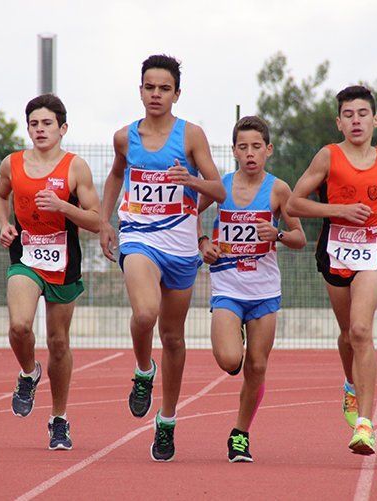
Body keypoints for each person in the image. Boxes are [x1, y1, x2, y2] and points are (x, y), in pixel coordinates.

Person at [99, 54, 226, 462]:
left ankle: (167, 420)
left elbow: (219, 190)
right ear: (140, 91)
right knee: (144, 313)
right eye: (149, 87)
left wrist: (191, 183)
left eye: (164, 88)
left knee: (172, 338)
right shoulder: (124, 137)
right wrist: (105, 222)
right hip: (139, 237)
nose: (156, 94)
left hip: (181, 246)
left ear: (176, 93)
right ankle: (142, 370)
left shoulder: (191, 136)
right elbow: (117, 174)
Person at [286, 85, 377, 455]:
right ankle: (351, 386)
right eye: (349, 115)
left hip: (373, 249)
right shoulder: (328, 157)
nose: (356, 121)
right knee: (345, 334)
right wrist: (338, 211)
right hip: (335, 250)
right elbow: (293, 203)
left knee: (361, 329)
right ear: (339, 123)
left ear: (376, 119)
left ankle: (366, 425)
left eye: (362, 114)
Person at [0, 94, 100, 451]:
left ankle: (59, 420)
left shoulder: (75, 168)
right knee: (20, 325)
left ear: (62, 128)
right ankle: (28, 373)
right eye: (34, 124)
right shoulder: (12, 163)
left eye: (47, 123)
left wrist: (62, 206)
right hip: (25, 256)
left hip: (64, 261)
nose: (40, 130)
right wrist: (4, 223)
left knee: (58, 342)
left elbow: (97, 220)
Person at [198, 116, 306, 462]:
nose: (249, 153)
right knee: (231, 360)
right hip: (228, 286)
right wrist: (203, 242)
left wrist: (279, 235)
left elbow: (300, 237)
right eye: (242, 147)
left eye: (256, 147)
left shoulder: (278, 190)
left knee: (257, 367)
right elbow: (188, 215)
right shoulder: (221, 187)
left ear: (268, 150)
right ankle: (234, 344)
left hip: (264, 290)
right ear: (233, 151)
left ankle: (240, 434)